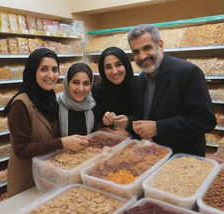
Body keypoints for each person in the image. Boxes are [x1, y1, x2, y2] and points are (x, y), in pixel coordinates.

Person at [4, 48, 88, 197]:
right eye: (44, 69)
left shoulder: (50, 98)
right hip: (26, 179)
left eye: (54, 69)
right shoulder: (20, 104)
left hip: (46, 175)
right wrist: (62, 143)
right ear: (32, 71)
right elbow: (21, 149)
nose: (51, 75)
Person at [127, 24, 216, 156]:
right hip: (150, 156)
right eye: (136, 52)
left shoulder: (188, 72)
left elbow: (205, 120)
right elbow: (145, 116)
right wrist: (129, 123)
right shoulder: (140, 80)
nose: (142, 56)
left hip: (182, 160)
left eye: (147, 48)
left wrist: (158, 127)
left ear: (160, 45)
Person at [92, 46, 134, 136]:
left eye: (118, 64)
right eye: (108, 67)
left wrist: (129, 121)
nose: (114, 71)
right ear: (102, 70)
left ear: (126, 64)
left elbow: (148, 119)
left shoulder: (139, 87)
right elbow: (93, 125)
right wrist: (104, 121)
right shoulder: (96, 91)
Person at [58, 62, 101, 136]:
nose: (81, 89)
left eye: (86, 83)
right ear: (67, 83)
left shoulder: (94, 107)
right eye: (76, 82)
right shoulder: (55, 105)